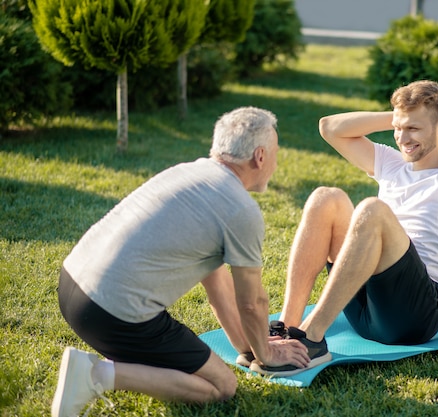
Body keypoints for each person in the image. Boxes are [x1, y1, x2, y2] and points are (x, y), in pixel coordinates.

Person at [52, 106, 310, 417]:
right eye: (276, 152)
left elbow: (215, 282)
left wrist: (248, 347)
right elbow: (252, 302)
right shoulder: (240, 208)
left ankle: (95, 370)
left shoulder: (187, 172)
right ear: (260, 156)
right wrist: (266, 352)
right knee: (222, 386)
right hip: (112, 314)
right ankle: (96, 375)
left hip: (71, 288)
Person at [248, 80, 438, 376]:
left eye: (413, 129)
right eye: (398, 128)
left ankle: (312, 339)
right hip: (367, 308)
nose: (402, 138)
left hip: (417, 316)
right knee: (327, 197)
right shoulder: (392, 165)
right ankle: (289, 328)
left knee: (372, 210)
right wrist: (400, 116)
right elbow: (329, 127)